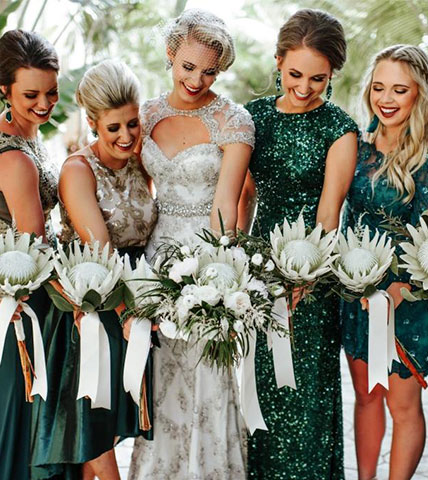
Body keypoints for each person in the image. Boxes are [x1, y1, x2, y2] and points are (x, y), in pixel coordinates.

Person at [128, 9, 254, 479]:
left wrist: (221, 280)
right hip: (155, 260)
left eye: (210, 71)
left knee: (208, 376)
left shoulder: (233, 121)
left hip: (206, 261)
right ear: (170, 54)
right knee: (159, 376)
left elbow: (227, 204)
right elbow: (138, 196)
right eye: (188, 66)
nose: (197, 79)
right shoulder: (145, 115)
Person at [239, 9, 358, 480]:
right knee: (259, 390)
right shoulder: (253, 117)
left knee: (304, 394)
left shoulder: (340, 128)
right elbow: (245, 194)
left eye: (318, 78)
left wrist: (303, 276)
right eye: (294, 75)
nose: (305, 87)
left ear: (332, 75)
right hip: (257, 271)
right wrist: (236, 264)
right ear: (277, 62)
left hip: (312, 276)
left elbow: (329, 214)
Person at [30, 59, 157, 480]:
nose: (126, 136)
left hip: (138, 292)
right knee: (91, 424)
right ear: (91, 122)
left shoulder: (143, 160)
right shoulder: (77, 170)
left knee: (112, 417)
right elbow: (98, 249)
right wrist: (127, 310)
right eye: (113, 128)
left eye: (133, 124)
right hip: (92, 304)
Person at [341, 45, 428, 480]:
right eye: (378, 88)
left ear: (419, 95)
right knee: (366, 396)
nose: (386, 99)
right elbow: (346, 219)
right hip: (357, 295)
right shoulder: (356, 147)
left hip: (406, 302)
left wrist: (397, 289)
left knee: (402, 404)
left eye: (399, 89)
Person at [0, 29, 59, 480]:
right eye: (31, 94)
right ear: (4, 90)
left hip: (26, 296)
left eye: (52, 91)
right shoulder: (14, 157)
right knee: (19, 419)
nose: (44, 103)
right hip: (22, 305)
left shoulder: (29, 139)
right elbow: (35, 242)